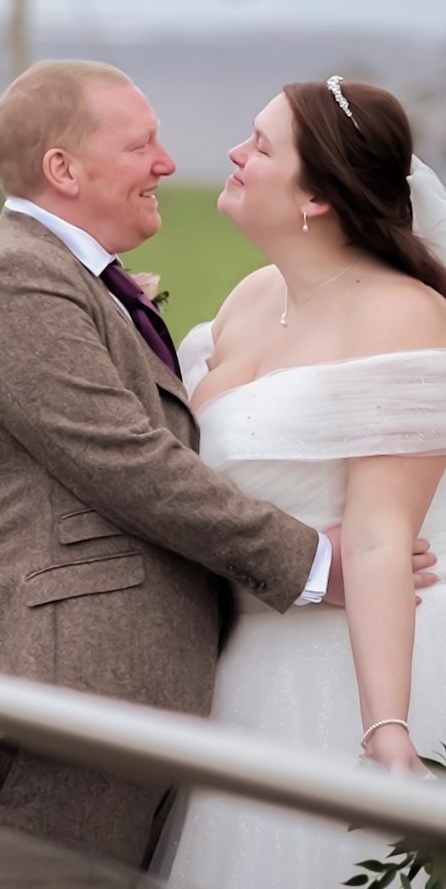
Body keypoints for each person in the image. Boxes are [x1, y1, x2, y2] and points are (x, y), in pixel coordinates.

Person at [0, 59, 363, 879]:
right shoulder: (16, 279)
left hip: (111, 697)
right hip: (56, 700)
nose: (167, 164)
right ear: (64, 169)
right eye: (143, 144)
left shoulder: (74, 280)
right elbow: (133, 464)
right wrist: (319, 564)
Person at [155, 77, 446, 889]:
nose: (234, 154)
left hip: (339, 665)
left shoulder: (401, 314)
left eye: (260, 144)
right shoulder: (252, 297)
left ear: (315, 194)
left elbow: (384, 533)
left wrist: (386, 727)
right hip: (237, 655)